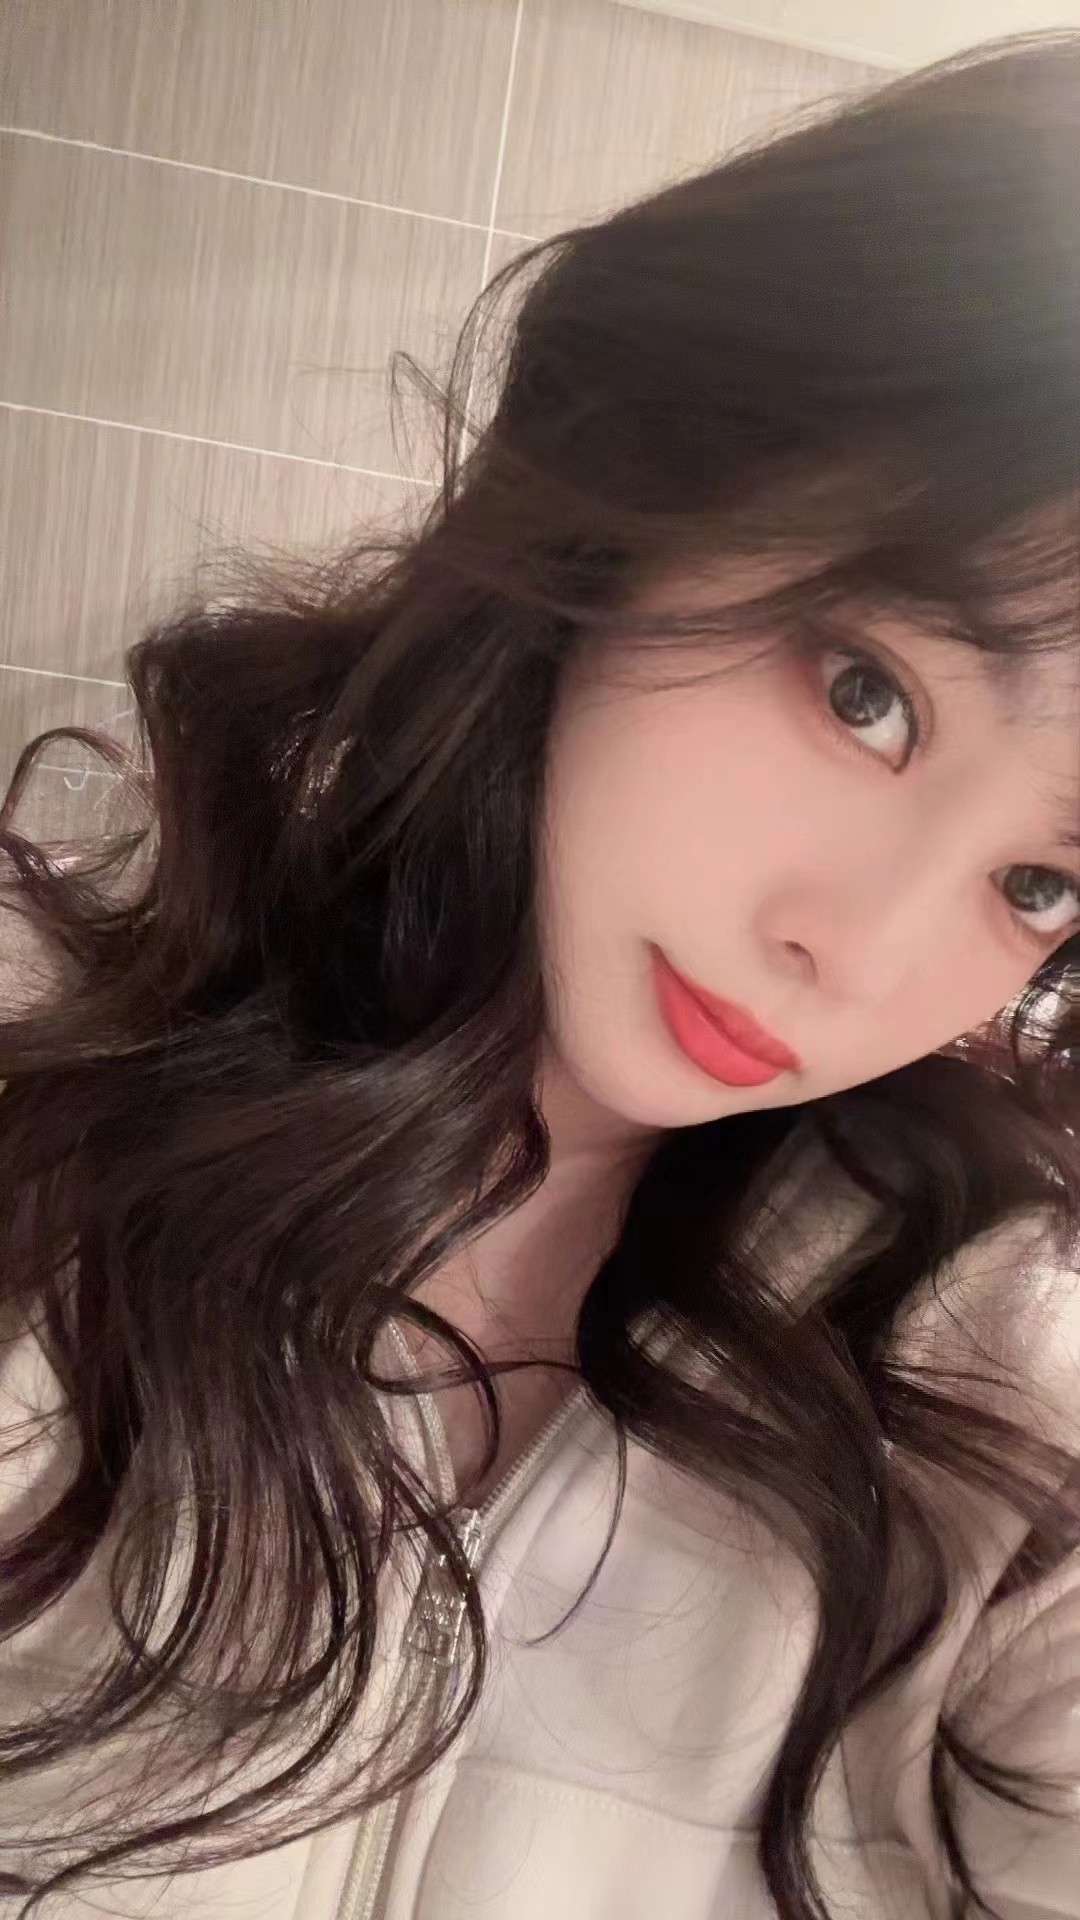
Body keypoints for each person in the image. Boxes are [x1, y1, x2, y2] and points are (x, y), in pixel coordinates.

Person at [0, 29, 1077, 1920]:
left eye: (1043, 881)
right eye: (867, 693)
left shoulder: (997, 1400)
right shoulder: (48, 1079)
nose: (860, 954)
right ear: (638, 490)